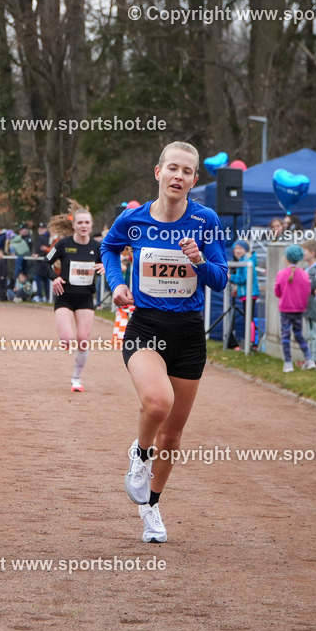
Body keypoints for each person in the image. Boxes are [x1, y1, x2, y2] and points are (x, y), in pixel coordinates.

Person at [101, 141, 228, 544]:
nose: (178, 176)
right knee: (158, 402)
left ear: (194, 180)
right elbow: (108, 247)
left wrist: (199, 262)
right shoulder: (134, 219)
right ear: (158, 173)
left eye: (187, 171)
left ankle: (151, 507)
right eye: (172, 168)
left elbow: (222, 278)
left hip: (189, 332)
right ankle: (139, 454)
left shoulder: (205, 221)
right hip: (146, 327)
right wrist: (117, 282)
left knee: (172, 437)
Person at [45, 208, 102, 392]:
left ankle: (76, 379)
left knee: (83, 339)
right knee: (67, 339)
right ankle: (65, 334)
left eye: (87, 223)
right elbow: (45, 262)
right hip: (65, 296)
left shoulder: (97, 247)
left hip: (85, 298)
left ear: (91, 225)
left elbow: (112, 264)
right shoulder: (63, 244)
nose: (84, 226)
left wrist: (104, 266)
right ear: (74, 225)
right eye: (80, 222)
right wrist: (54, 277)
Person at [273, 245, 316, 372]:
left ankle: (288, 363)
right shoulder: (304, 274)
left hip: (285, 309)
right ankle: (309, 359)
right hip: (299, 309)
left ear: (286, 258)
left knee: (285, 336)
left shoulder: (282, 274)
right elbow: (307, 291)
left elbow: (277, 291)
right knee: (299, 335)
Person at [226, 239, 259, 350]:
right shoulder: (243, 261)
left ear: (245, 249)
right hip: (246, 294)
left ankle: (252, 343)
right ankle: (251, 342)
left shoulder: (247, 262)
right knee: (248, 317)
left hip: (250, 294)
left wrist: (231, 278)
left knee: (249, 318)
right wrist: (237, 291)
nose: (237, 251)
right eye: (235, 248)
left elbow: (244, 279)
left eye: (240, 248)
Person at [301, 240, 316, 363]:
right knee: (308, 333)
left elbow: (313, 285)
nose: (302, 254)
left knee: (314, 332)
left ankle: (315, 358)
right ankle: (309, 357)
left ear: (313, 253)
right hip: (306, 305)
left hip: (313, 305)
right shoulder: (306, 269)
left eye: (305, 251)